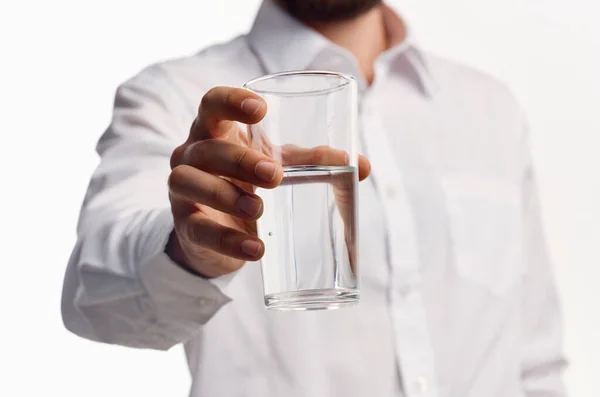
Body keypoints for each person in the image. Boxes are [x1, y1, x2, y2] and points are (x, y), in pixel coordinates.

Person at [61, 0, 567, 396]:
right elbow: (97, 299)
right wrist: (191, 252)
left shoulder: (488, 108)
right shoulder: (173, 94)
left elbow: (535, 358)